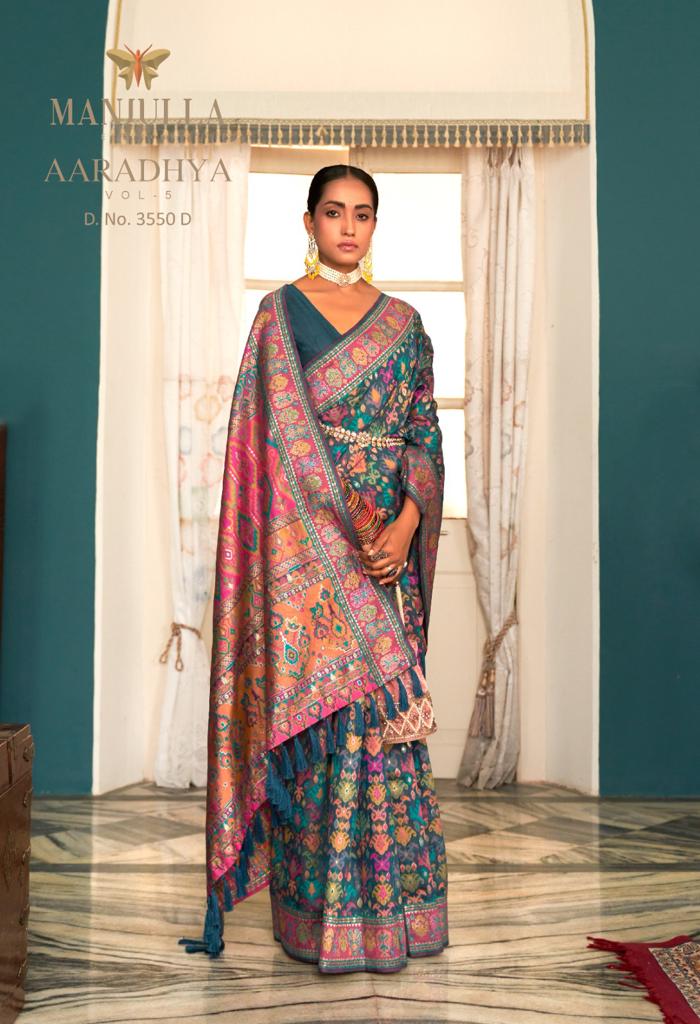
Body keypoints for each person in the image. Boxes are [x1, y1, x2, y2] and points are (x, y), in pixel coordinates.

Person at [181, 164, 449, 973]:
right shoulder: (278, 315)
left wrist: (405, 526)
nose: (349, 228)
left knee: (385, 734)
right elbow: (257, 447)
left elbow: (424, 438)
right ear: (309, 221)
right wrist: (328, 529)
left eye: (363, 214)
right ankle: (312, 921)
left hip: (383, 553)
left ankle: (395, 918)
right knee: (318, 733)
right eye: (334, 212)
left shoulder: (405, 325)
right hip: (305, 555)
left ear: (375, 226)